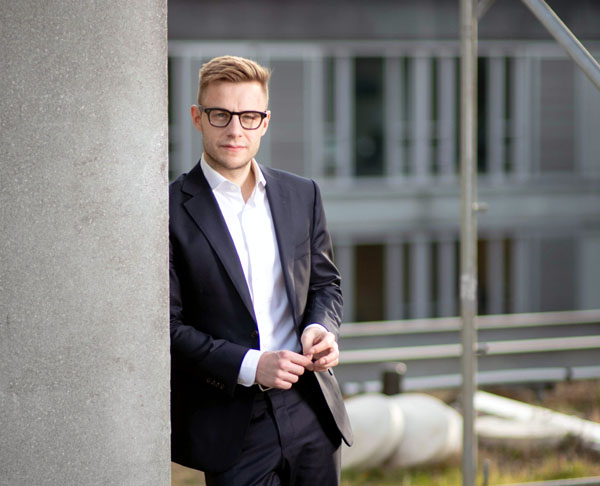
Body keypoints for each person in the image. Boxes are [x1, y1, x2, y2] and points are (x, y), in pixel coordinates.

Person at [169, 55, 353, 486]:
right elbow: (166, 327)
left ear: (264, 122)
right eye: (221, 115)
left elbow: (326, 284)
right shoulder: (169, 210)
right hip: (232, 422)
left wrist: (321, 329)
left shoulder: (301, 193)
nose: (235, 130)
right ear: (198, 118)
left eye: (248, 116)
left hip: (312, 408)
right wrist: (253, 365)